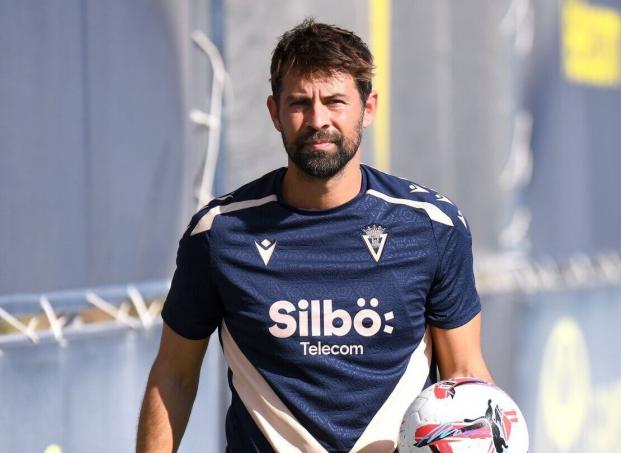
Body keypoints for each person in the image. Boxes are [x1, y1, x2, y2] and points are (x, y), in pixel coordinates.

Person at [136, 18, 492, 453]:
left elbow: (464, 374)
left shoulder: (433, 227)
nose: (318, 119)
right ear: (274, 112)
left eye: (336, 101)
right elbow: (174, 374)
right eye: (300, 102)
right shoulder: (220, 233)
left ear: (369, 107)